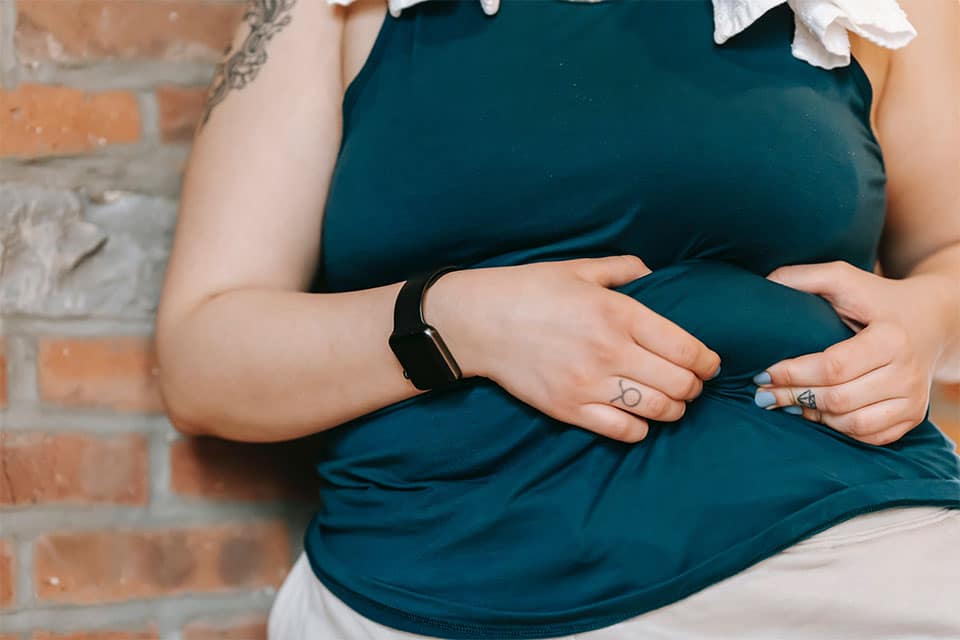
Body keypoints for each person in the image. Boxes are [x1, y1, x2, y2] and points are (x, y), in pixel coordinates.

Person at [154, 0, 960, 637]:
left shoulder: (871, 8)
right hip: (443, 580)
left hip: (852, 550)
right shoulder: (325, 13)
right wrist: (460, 324)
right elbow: (203, 356)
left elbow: (949, 251)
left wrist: (923, 320)